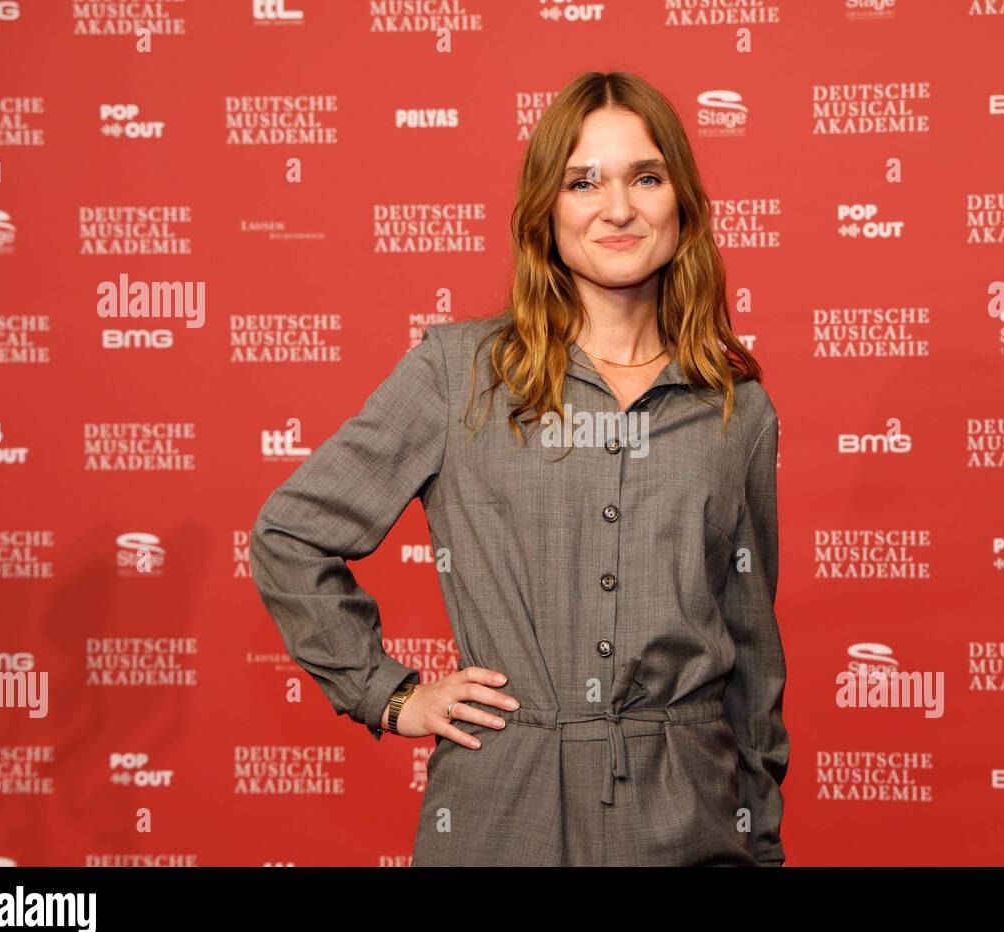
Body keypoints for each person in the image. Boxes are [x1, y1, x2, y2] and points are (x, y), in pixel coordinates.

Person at [250, 70, 789, 866]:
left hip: (692, 817)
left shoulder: (735, 407)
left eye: (646, 176)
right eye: (583, 181)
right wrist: (390, 693)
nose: (618, 208)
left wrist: (763, 841)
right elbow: (289, 534)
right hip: (504, 810)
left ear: (683, 202)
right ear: (547, 209)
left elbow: (751, 651)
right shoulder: (459, 372)